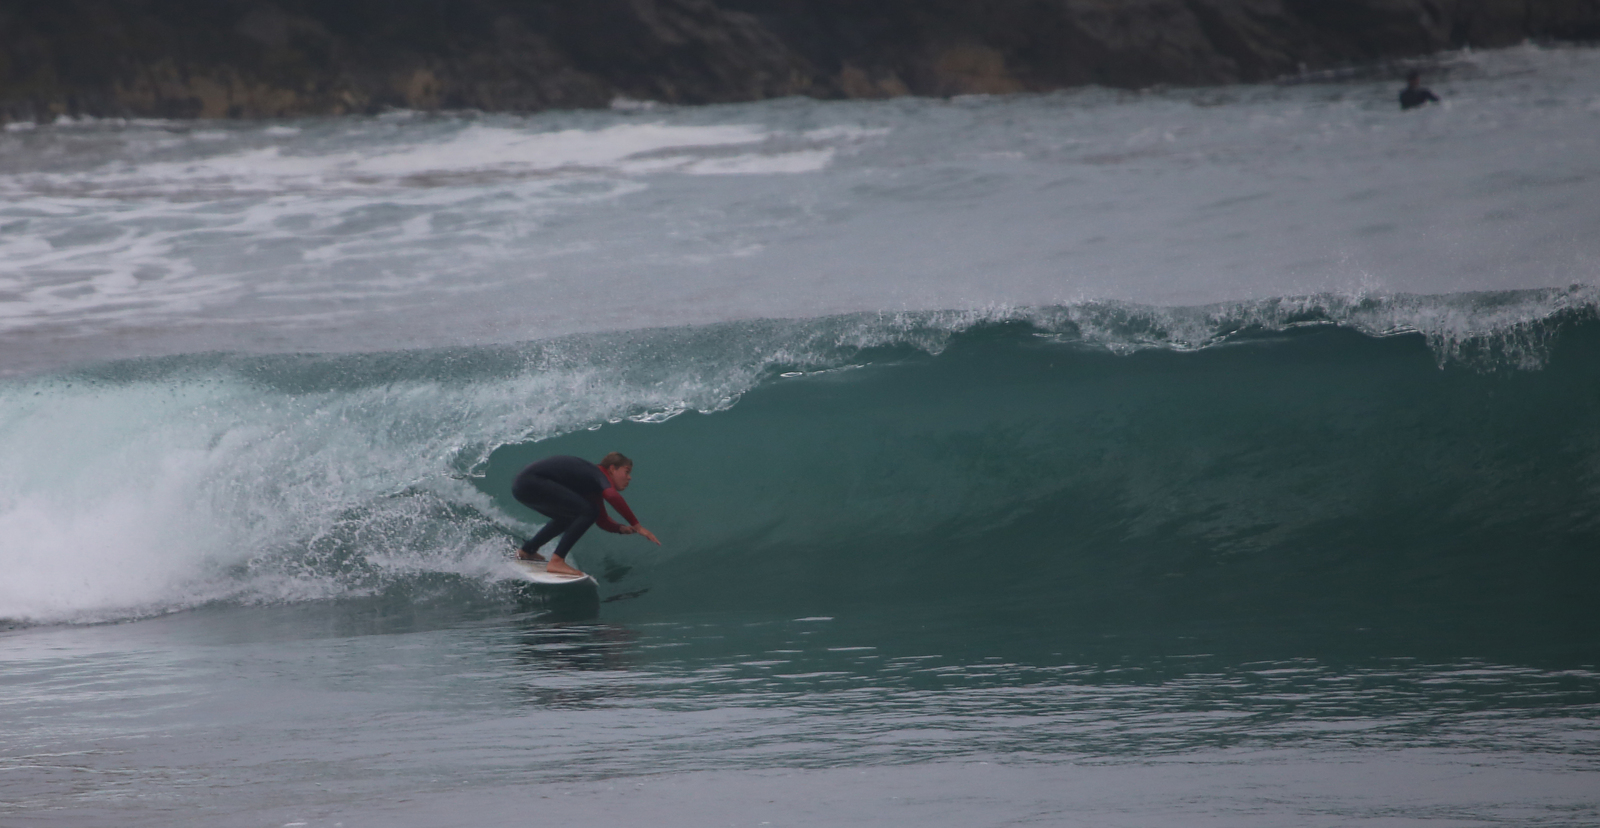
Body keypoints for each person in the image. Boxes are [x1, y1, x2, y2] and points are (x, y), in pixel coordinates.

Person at [511, 452, 660, 577]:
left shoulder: (591, 483)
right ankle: (557, 561)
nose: (629, 477)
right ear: (612, 469)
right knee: (587, 511)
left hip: (523, 485)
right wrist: (638, 526)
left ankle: (527, 551)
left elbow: (601, 520)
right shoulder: (599, 475)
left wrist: (620, 528)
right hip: (532, 482)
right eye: (626, 472)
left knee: (569, 516)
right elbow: (612, 496)